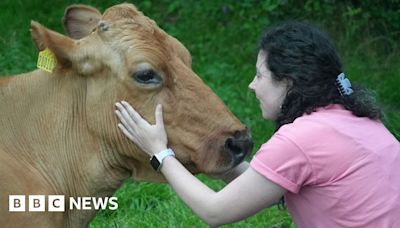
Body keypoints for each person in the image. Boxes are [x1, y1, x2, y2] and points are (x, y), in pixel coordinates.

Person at [114, 22, 400, 227]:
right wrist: (215, 152)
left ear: (288, 82)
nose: (251, 86)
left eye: (260, 76)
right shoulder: (360, 120)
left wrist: (159, 152)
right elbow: (266, 182)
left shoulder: (299, 140)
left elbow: (214, 212)